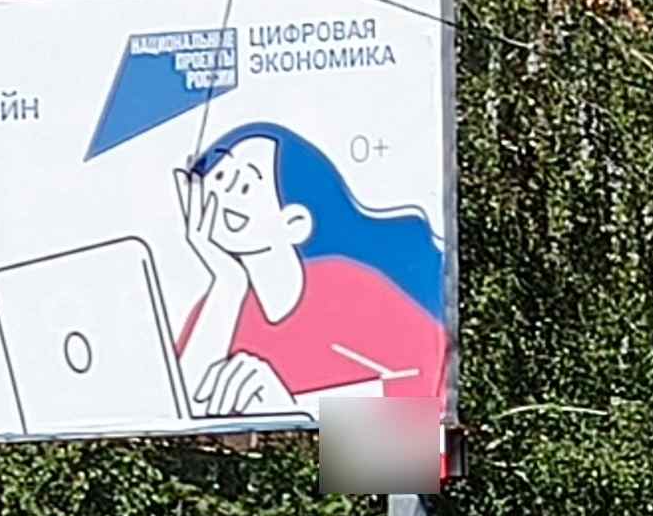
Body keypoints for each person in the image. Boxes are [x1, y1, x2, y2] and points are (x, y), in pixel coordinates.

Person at [173, 122, 452, 428]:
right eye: (220, 177)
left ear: (294, 222)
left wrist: (291, 411)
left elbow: (428, 394)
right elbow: (177, 409)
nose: (222, 196)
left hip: (366, 472)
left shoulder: (349, 290)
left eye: (244, 186)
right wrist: (227, 283)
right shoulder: (220, 306)